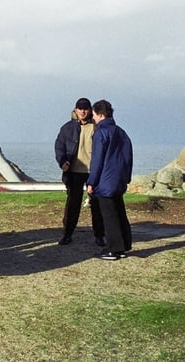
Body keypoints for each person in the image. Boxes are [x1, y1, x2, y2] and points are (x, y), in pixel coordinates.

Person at [54, 97, 105, 246]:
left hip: (93, 171)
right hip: (74, 172)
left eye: (85, 108)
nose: (83, 111)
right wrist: (63, 162)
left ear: (90, 110)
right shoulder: (67, 128)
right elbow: (59, 146)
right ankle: (67, 234)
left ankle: (99, 235)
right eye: (80, 108)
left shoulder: (97, 127)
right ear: (75, 110)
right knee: (72, 205)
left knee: (96, 205)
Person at [87, 99, 133, 260]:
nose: (93, 118)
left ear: (100, 114)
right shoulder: (121, 132)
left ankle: (113, 249)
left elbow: (97, 159)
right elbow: (128, 156)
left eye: (94, 115)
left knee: (109, 216)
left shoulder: (101, 132)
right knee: (119, 212)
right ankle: (123, 245)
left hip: (105, 180)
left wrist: (91, 181)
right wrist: (126, 177)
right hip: (118, 178)